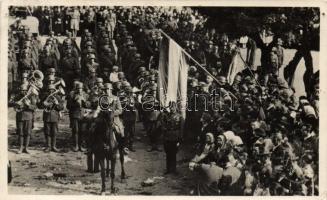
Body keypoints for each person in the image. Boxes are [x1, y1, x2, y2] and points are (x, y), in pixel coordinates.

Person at [11, 84, 39, 154]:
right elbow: (10, 103)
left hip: (28, 117)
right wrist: (16, 103)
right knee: (20, 133)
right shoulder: (18, 96)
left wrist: (28, 105)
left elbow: (35, 107)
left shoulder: (31, 97)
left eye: (25, 90)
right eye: (22, 90)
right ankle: (20, 147)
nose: (23, 92)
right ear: (20, 90)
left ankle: (26, 148)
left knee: (28, 133)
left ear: (27, 91)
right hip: (20, 117)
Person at [159, 101, 184, 175]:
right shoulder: (166, 116)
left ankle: (174, 169)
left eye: (173, 107)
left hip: (175, 137)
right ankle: (168, 169)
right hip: (167, 137)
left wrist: (180, 138)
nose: (172, 108)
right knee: (168, 153)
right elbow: (162, 124)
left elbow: (181, 129)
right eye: (170, 107)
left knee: (174, 154)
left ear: (176, 107)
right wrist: (164, 131)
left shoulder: (179, 117)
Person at [40, 84, 65, 152]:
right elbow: (39, 105)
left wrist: (57, 103)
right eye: (49, 90)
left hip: (55, 116)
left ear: (54, 90)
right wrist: (43, 103)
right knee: (47, 132)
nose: (51, 91)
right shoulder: (45, 96)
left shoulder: (58, 97)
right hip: (47, 116)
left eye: (52, 90)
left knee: (54, 132)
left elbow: (62, 107)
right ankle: (48, 146)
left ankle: (54, 146)